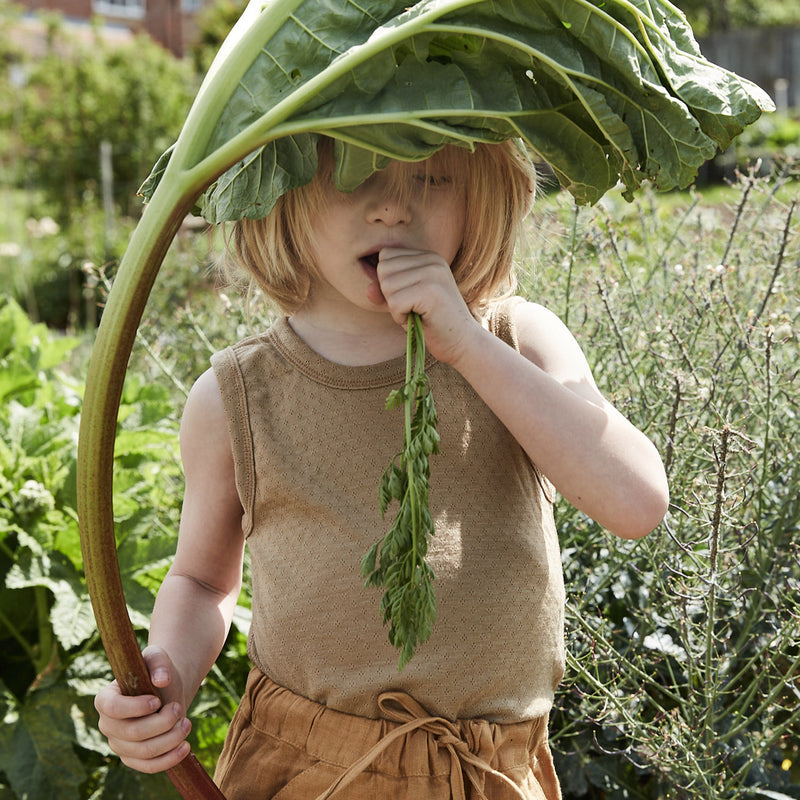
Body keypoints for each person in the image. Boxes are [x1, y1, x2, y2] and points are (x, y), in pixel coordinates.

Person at [94, 137, 669, 800]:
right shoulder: (239, 396)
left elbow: (636, 502)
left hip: (487, 772)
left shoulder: (518, 341)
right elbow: (199, 580)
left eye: (432, 178)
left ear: (481, 192)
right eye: (355, 175)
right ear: (283, 189)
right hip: (308, 770)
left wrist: (469, 346)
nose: (395, 210)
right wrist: (167, 675)